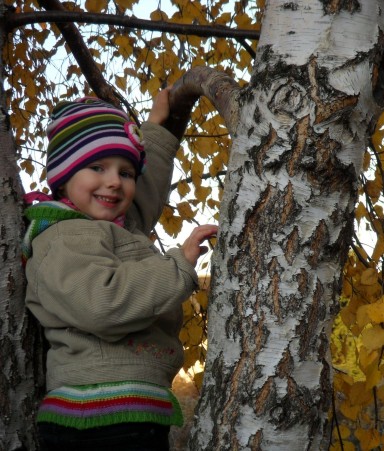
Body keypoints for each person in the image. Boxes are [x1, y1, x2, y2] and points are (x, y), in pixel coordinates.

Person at [22, 89, 217, 451]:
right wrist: (178, 266)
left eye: (125, 172)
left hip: (123, 411)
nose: (114, 181)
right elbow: (102, 301)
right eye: (97, 167)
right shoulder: (65, 235)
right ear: (63, 175)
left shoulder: (112, 225)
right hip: (96, 419)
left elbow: (146, 191)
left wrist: (156, 128)